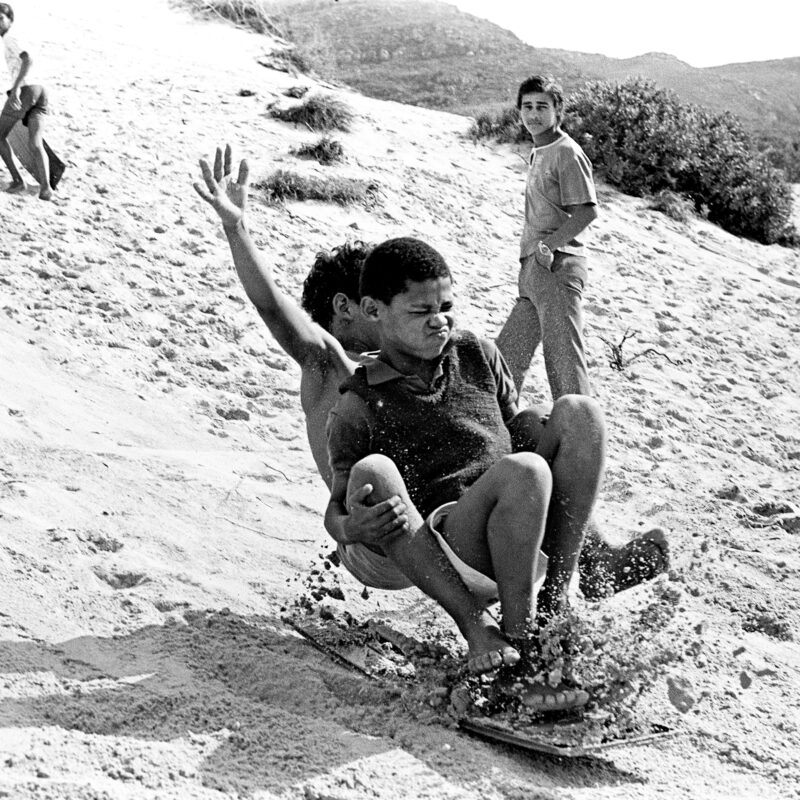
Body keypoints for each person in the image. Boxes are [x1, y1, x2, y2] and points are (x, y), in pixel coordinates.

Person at [192, 144, 667, 612]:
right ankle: (514, 602)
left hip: (453, 505)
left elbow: (488, 427)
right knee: (504, 450)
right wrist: (237, 228)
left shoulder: (426, 354)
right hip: (387, 537)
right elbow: (272, 307)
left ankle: (581, 571)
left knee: (539, 421)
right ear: (354, 306)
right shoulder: (332, 366)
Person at [325, 237, 605, 709]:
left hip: (520, 526)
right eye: (420, 311)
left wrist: (544, 430)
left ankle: (552, 616)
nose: (439, 320)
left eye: (446, 305)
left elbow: (512, 428)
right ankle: (501, 643)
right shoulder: (358, 405)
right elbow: (335, 509)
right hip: (449, 545)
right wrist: (351, 527)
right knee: (376, 470)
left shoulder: (475, 351)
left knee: (579, 413)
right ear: (373, 311)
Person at [496, 74, 597, 398]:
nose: (534, 114)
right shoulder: (540, 150)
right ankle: (499, 430)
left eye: (542, 106)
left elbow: (586, 211)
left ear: (558, 110)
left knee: (564, 363)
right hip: (533, 268)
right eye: (527, 106)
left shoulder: (566, 152)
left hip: (558, 265)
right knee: (507, 357)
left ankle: (580, 439)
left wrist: (547, 246)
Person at [0, 3, 52, 200]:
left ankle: (18, 181)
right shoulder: (20, 36)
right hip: (42, 91)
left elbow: (28, 59)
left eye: (1, 19)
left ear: (10, 20)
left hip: (27, 90)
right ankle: (46, 188)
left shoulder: (10, 38)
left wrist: (15, 90)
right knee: (35, 142)